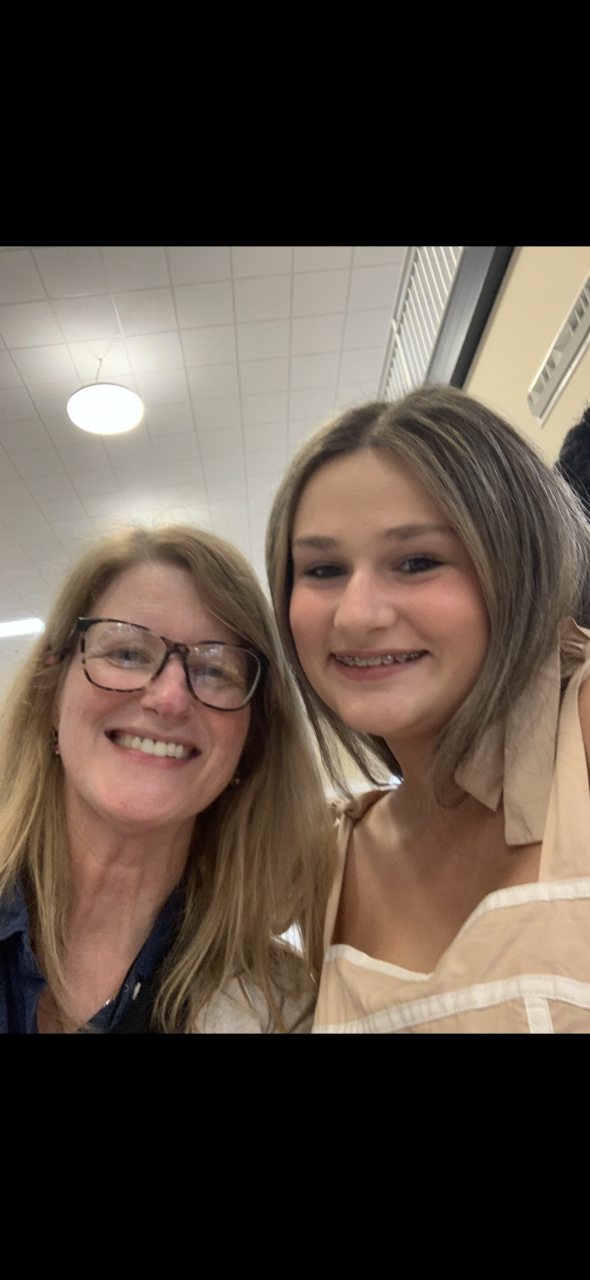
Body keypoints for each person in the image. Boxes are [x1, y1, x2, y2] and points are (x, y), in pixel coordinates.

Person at [266, 385, 590, 1033]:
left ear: (516, 565)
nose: (356, 616)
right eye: (323, 570)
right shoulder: (331, 862)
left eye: (417, 562)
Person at [0, 525, 333, 1033]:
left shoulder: (284, 1013)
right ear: (52, 695)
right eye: (127, 653)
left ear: (251, 741)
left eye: (215, 670)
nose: (170, 699)